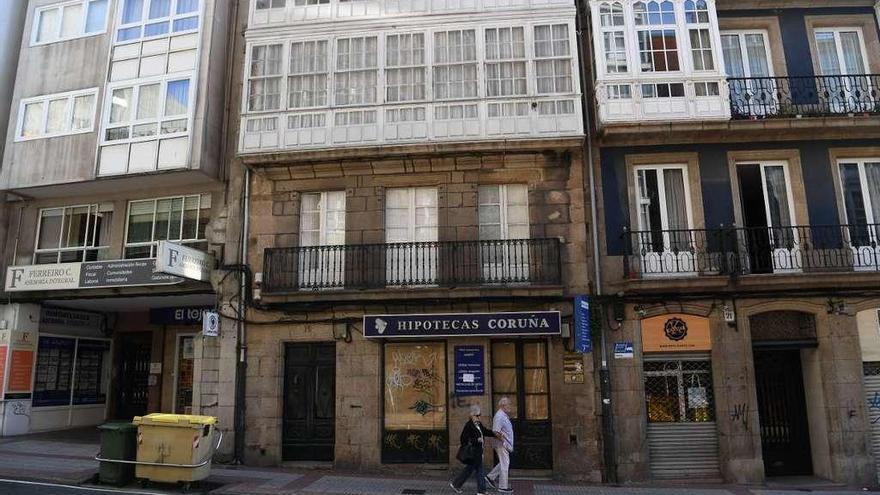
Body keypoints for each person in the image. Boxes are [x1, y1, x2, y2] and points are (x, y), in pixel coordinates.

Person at [449, 404, 500, 495]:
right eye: (477, 415)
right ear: (472, 415)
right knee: (477, 470)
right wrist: (476, 440)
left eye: (480, 415)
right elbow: (463, 439)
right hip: (473, 452)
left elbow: (485, 431)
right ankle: (480, 491)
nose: (479, 417)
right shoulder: (469, 425)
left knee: (474, 470)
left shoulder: (478, 424)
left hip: (478, 452)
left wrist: (494, 434)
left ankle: (457, 484)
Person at [486, 397, 514, 493]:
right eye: (508, 404)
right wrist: (504, 442)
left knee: (503, 462)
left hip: (503, 443)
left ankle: (490, 477)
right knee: (505, 464)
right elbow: (495, 431)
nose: (510, 406)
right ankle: (503, 486)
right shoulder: (499, 416)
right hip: (501, 444)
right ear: (503, 405)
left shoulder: (503, 415)